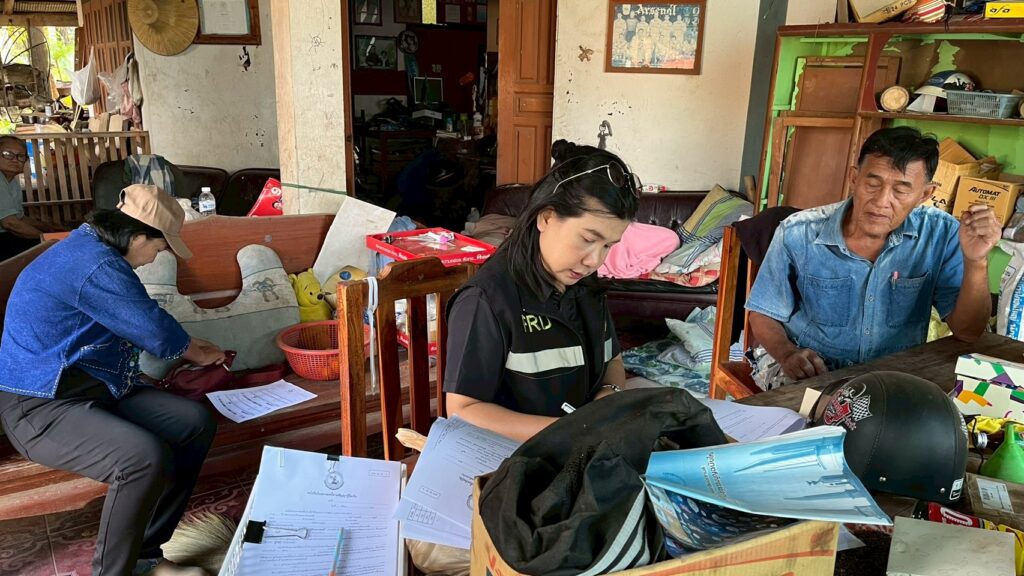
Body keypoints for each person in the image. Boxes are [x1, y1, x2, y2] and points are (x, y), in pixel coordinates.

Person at [0, 184, 226, 576]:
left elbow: (147, 324)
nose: (154, 258)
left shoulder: (92, 249)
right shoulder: (95, 264)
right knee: (141, 458)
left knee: (192, 423)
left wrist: (189, 345)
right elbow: (155, 332)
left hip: (96, 385)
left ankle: (146, 556)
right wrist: (197, 351)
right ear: (137, 237)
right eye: (159, 248)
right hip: (39, 403)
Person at [745, 127, 999, 383]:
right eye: (873, 184)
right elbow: (763, 313)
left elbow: (968, 332)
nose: (881, 201)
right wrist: (787, 353)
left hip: (893, 374)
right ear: (854, 178)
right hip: (813, 369)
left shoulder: (941, 234)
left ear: (924, 194)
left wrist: (976, 261)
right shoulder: (798, 232)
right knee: (817, 406)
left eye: (900, 190)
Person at [443, 144, 640, 442]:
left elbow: (612, 359)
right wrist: (572, 432)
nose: (594, 260)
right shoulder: (487, 300)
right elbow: (462, 410)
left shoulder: (586, 285)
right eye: (588, 239)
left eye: (608, 246)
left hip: (584, 447)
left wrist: (608, 397)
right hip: (517, 456)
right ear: (546, 218)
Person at [0, 135, 61, 261]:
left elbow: (20, 218)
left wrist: (50, 227)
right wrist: (47, 239)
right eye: (7, 154)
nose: (15, 160)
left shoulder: (12, 182)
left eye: (20, 156)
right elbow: (10, 223)